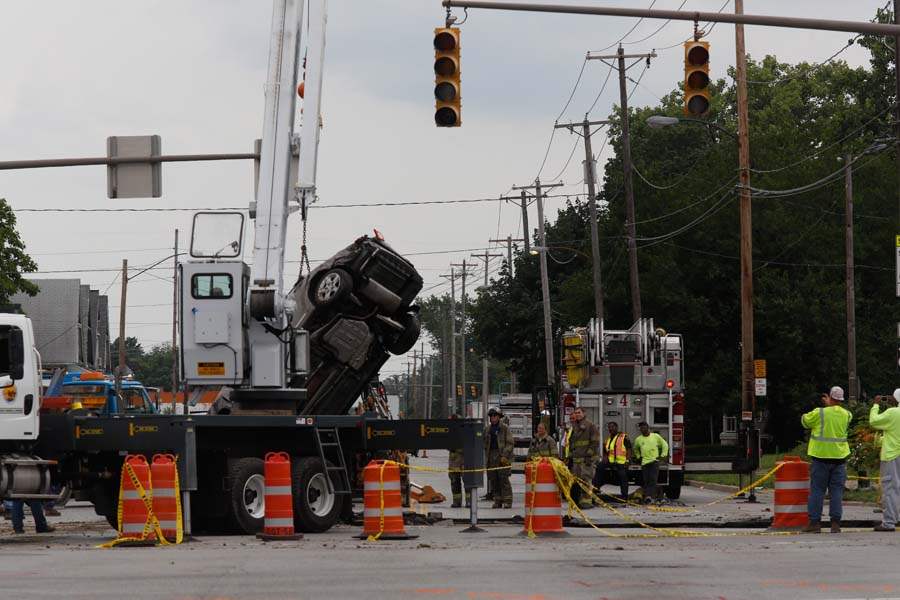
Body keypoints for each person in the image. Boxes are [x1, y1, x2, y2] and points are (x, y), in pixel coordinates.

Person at [801, 385, 852, 533]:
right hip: (840, 458)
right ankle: (835, 524)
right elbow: (837, 416)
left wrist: (827, 405)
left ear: (830, 397)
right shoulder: (847, 414)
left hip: (820, 457)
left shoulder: (820, 413)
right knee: (836, 492)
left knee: (817, 491)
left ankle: (815, 523)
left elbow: (804, 421)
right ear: (841, 399)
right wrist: (831, 405)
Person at [868, 389, 900, 532]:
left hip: (892, 454)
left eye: (892, 398)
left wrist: (876, 405)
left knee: (890, 489)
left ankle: (889, 522)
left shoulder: (893, 413)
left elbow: (873, 421)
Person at [566, 407, 601, 510]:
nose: (577, 415)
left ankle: (586, 501)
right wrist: (570, 457)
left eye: (579, 413)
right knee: (576, 481)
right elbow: (572, 443)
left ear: (584, 413)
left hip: (587, 459)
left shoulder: (590, 426)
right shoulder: (575, 427)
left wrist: (589, 455)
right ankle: (577, 500)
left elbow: (595, 442)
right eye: (576, 413)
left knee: (586, 480)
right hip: (576, 460)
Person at [483, 407, 514, 508]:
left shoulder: (504, 428)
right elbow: (484, 443)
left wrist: (504, 456)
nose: (493, 418)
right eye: (491, 416)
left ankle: (508, 501)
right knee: (494, 479)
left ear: (499, 417)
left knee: (503, 479)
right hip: (491, 456)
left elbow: (510, 443)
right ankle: (498, 500)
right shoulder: (487, 429)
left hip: (501, 456)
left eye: (495, 416)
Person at [632, 422, 668, 503]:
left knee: (653, 480)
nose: (642, 429)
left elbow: (664, 444)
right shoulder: (639, 439)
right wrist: (638, 457)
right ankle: (659, 494)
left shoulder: (655, 436)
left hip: (654, 462)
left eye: (644, 427)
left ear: (648, 428)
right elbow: (635, 449)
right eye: (641, 428)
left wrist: (663, 455)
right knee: (647, 481)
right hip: (644, 463)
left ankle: (649, 497)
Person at [599, 421, 632, 502]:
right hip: (611, 462)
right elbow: (606, 450)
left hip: (621, 463)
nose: (611, 429)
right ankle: (595, 490)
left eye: (612, 427)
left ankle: (624, 496)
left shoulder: (623, 437)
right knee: (599, 468)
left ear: (616, 427)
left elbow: (629, 449)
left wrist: (627, 461)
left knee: (623, 477)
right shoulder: (609, 439)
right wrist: (605, 458)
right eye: (609, 427)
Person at [448, 415, 470, 508]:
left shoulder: (465, 431)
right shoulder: (450, 432)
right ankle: (457, 502)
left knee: (468, 483)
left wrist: (456, 448)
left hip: (464, 462)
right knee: (454, 482)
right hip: (453, 463)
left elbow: (468, 446)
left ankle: (469, 502)